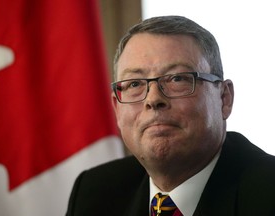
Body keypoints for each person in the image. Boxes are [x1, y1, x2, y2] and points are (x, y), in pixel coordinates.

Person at [66, 16, 275, 216]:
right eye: (135, 84)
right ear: (117, 108)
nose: (153, 99)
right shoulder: (94, 192)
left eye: (177, 79)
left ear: (224, 98)